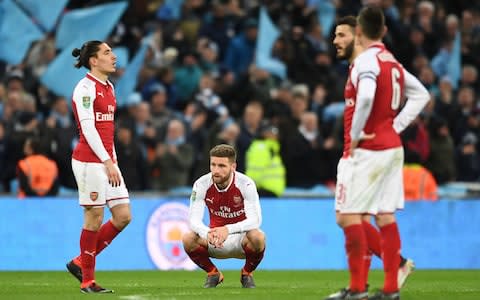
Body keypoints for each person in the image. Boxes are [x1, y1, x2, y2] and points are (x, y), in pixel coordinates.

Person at [326, 9, 430, 300]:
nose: (336, 40)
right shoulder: (390, 61)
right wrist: (393, 126)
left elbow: (369, 97)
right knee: (381, 216)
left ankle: (359, 287)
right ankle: (391, 284)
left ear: (358, 34)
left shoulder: (367, 62)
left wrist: (358, 136)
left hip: (364, 150)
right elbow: (421, 94)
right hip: (390, 147)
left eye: (342, 34)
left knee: (348, 217)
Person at [66, 40, 132, 294]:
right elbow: (88, 128)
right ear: (93, 60)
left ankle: (80, 262)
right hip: (88, 162)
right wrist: (106, 161)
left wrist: (112, 161)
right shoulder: (84, 88)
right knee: (94, 217)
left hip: (107, 161)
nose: (114, 57)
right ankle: (88, 281)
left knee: (123, 215)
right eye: (107, 53)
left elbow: (108, 131)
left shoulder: (109, 87)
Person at [182, 144, 266, 288]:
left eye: (222, 166)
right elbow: (193, 220)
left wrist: (227, 229)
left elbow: (256, 220)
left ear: (233, 167)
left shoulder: (246, 184)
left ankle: (247, 273)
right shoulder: (201, 184)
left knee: (258, 237)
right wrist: (207, 233)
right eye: (213, 165)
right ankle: (213, 273)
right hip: (215, 240)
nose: (216, 170)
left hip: (241, 240)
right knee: (188, 238)